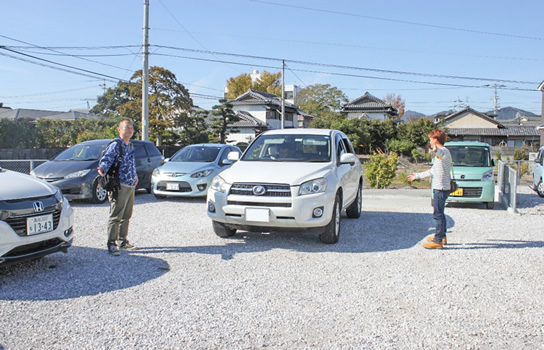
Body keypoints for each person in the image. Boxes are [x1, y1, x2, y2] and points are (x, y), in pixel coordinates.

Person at [98, 119, 139, 256]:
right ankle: (111, 243)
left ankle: (123, 240)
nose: (130, 130)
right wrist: (102, 169)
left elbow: (131, 164)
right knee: (116, 215)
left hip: (130, 184)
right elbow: (107, 159)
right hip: (119, 184)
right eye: (127, 127)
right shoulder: (116, 145)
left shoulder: (130, 146)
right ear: (119, 130)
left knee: (126, 215)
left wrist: (135, 176)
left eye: (131, 128)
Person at [408, 129, 452, 249]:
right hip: (442, 187)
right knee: (440, 213)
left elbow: (440, 152)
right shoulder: (443, 154)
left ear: (435, 140)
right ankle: (441, 236)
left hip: (441, 188)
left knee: (437, 214)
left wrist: (435, 150)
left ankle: (438, 241)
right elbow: (432, 171)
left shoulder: (443, 152)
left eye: (431, 139)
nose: (430, 141)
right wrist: (416, 176)